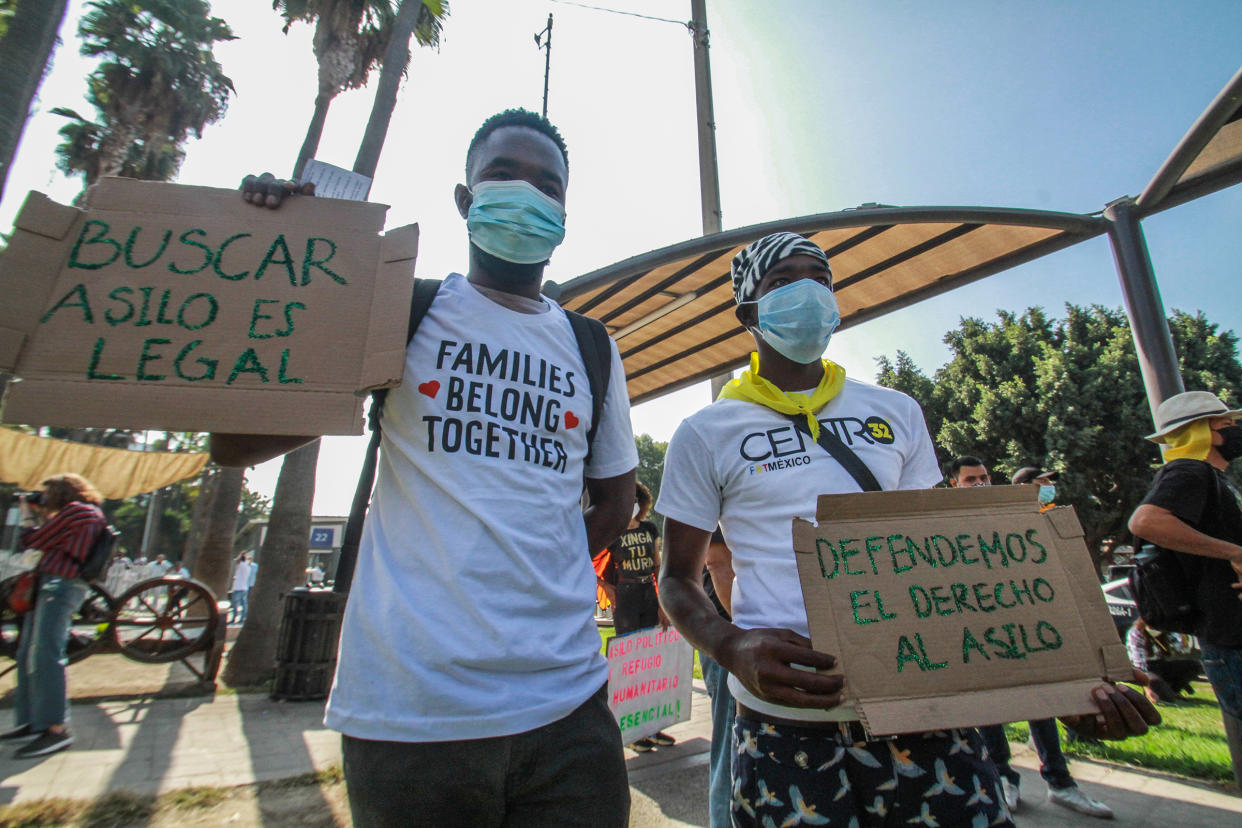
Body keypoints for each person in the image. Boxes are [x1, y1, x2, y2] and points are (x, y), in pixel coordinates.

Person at [212, 108, 637, 827]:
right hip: (411, 717)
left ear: (564, 211)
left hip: (569, 711)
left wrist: (541, 565)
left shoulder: (591, 346)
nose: (526, 194)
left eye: (547, 185)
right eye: (503, 175)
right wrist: (286, 250)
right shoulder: (400, 311)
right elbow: (235, 444)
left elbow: (616, 501)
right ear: (465, 201)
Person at [656, 232, 1159, 828]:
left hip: (926, 712)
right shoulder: (706, 431)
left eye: (820, 279)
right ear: (749, 312)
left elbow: (944, 562)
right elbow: (676, 580)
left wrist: (1059, 685)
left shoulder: (895, 410)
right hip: (786, 724)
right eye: (783, 282)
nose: (808, 294)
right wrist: (731, 646)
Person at [949, 457, 1113, 818]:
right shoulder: (950, 522)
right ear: (954, 485)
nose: (979, 483)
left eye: (984, 477)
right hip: (982, 630)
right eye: (970, 479)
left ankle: (1059, 782)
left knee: (1043, 704)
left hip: (1025, 624)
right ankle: (1003, 777)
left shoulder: (1016, 514)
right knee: (991, 709)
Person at [1129, 390, 1242, 731]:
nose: (1236, 428)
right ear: (1202, 430)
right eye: (1228, 423)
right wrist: (1235, 553)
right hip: (1231, 634)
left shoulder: (1214, 479)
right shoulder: (1188, 471)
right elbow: (1145, 521)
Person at [2, 473, 107, 758]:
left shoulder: (77, 511)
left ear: (62, 492)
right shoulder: (84, 512)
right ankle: (34, 722)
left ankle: (55, 728)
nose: (44, 499)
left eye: (47, 494)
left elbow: (33, 540)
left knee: (46, 654)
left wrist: (28, 515)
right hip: (51, 583)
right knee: (27, 654)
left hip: (60, 583)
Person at [605, 482, 675, 752]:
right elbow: (592, 561)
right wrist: (607, 588)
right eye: (628, 498)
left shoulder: (650, 529)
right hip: (625, 596)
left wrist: (663, 604)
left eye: (636, 499)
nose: (633, 503)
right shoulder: (611, 531)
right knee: (629, 665)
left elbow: (658, 565)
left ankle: (654, 728)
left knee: (651, 663)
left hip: (648, 594)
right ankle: (632, 732)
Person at [700, 527, 736, 828]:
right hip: (735, 635)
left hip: (732, 633)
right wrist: (745, 634)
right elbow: (717, 561)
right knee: (731, 749)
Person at [229, 553, 252, 625]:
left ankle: (234, 619)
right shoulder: (248, 567)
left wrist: (241, 555)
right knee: (244, 604)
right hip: (244, 587)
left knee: (235, 604)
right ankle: (242, 619)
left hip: (238, 588)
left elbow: (237, 560)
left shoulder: (240, 565)